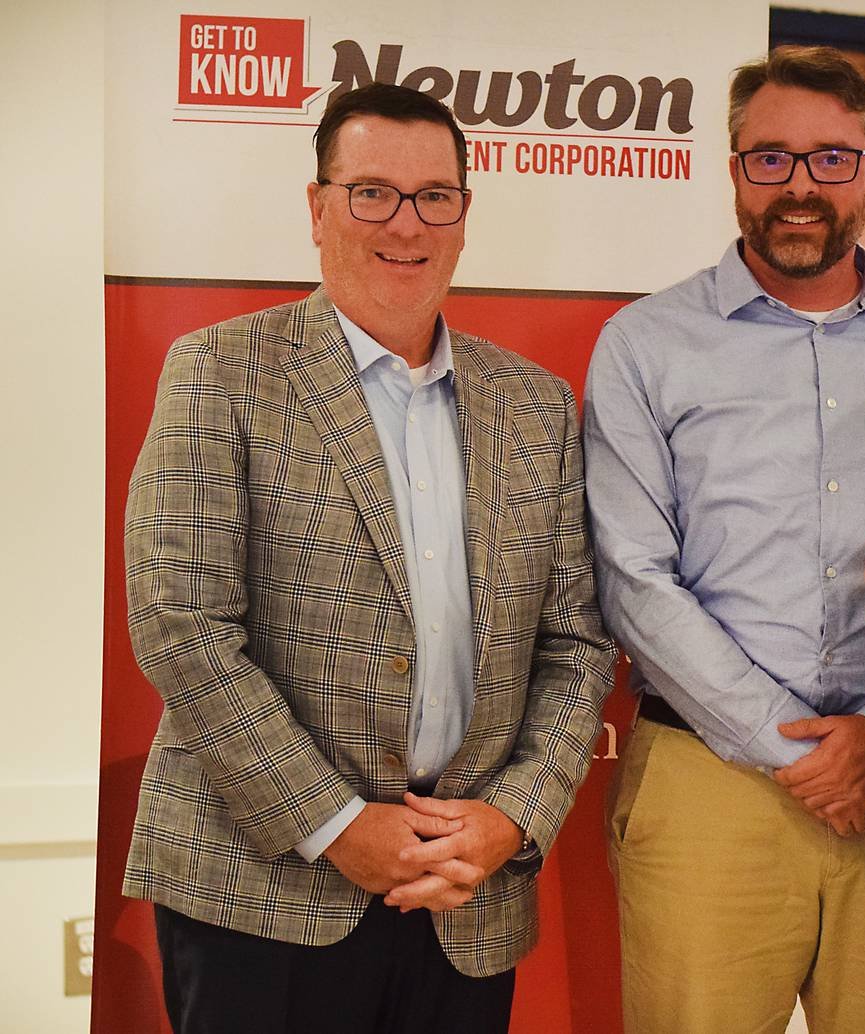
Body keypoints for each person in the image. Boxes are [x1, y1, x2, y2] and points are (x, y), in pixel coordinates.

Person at [122, 83, 614, 1034]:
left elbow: (576, 644)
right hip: (260, 896)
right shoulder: (220, 372)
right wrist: (338, 826)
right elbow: (181, 626)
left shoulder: (537, 407)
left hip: (463, 902)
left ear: (464, 215)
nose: (406, 223)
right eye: (372, 193)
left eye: (436, 195)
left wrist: (512, 816)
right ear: (318, 207)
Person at [583, 46, 865, 1034]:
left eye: (830, 158)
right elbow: (633, 574)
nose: (800, 185)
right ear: (734, 171)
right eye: (770, 159)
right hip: (708, 787)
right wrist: (796, 747)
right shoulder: (646, 344)